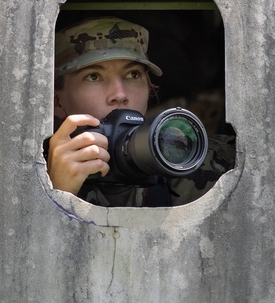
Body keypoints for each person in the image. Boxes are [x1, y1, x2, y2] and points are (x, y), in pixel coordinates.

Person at [46, 16, 235, 207]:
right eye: (93, 76)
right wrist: (55, 194)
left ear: (150, 90)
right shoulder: (31, 172)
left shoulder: (192, 159)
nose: (119, 94)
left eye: (133, 74)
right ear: (57, 102)